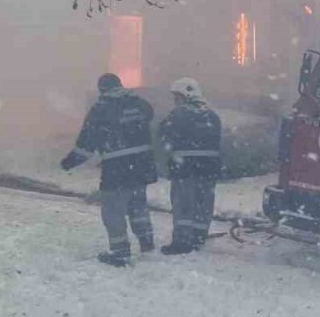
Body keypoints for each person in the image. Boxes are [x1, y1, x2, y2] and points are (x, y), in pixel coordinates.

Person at [60, 73, 158, 266]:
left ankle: (120, 252)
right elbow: (150, 113)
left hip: (117, 168)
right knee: (138, 205)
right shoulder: (138, 103)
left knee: (113, 210)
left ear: (102, 89)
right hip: (142, 165)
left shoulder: (101, 109)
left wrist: (68, 163)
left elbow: (86, 145)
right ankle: (147, 243)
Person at [158, 77, 223, 255]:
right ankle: (199, 237)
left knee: (183, 205)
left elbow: (163, 133)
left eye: (177, 97)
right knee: (203, 204)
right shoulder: (212, 116)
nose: (175, 100)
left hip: (184, 169)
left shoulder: (177, 114)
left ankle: (181, 242)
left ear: (185, 96)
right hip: (208, 169)